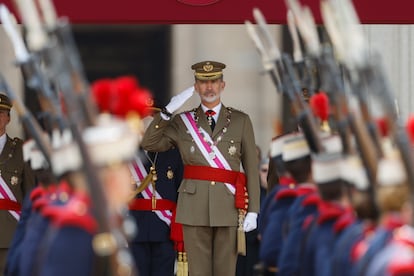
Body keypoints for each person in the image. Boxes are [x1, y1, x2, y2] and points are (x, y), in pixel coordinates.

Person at [141, 60, 260, 276]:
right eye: (203, 82)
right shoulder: (182, 122)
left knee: (225, 272)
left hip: (228, 206)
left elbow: (252, 168)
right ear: (196, 87)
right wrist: (166, 112)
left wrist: (253, 210)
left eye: (214, 81)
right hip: (194, 207)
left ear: (223, 85)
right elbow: (149, 143)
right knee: (199, 273)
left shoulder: (241, 121)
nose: (209, 87)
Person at [128, 147, 184, 276]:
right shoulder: (129, 153)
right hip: (135, 228)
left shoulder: (173, 152)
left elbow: (181, 191)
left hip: (165, 230)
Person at [0, 93, 36, 274]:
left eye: (1, 112)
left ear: (8, 118)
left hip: (10, 234)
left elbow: (30, 194)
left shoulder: (21, 151)